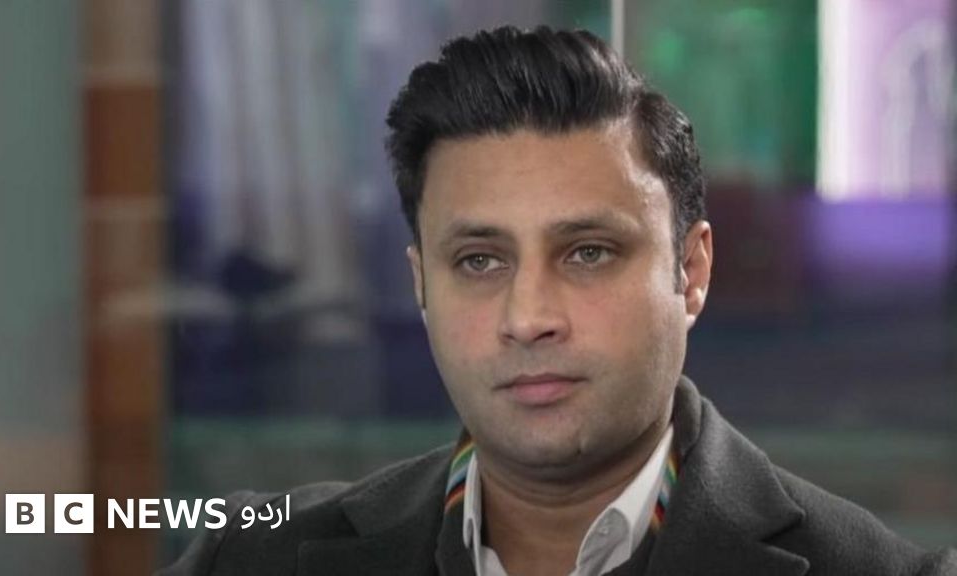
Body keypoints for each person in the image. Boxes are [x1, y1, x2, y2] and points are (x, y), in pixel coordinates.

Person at [161, 26, 957, 576]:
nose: (529, 317)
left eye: (587, 253)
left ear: (691, 271)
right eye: (479, 261)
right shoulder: (253, 560)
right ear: (421, 285)